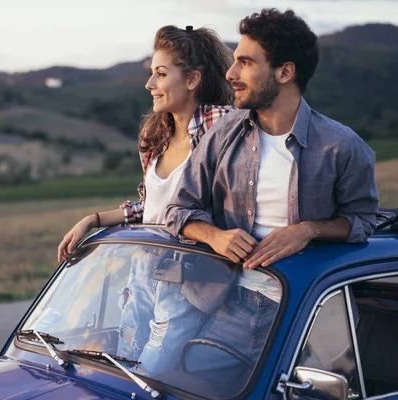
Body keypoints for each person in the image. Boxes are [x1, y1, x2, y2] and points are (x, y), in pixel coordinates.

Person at [165, 8, 379, 386]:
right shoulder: (221, 135)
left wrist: (309, 230)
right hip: (232, 303)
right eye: (234, 62)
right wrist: (215, 235)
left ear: (284, 73)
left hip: (317, 314)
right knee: (183, 384)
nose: (231, 74)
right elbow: (179, 209)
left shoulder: (343, 147)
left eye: (245, 62)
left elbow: (363, 221)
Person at [57, 25, 235, 374]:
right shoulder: (155, 136)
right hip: (141, 277)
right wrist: (92, 220)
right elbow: (150, 208)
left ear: (193, 80)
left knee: (151, 375)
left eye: (161, 74)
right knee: (122, 372)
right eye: (151, 74)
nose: (149, 85)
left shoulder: (222, 126)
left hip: (186, 283)